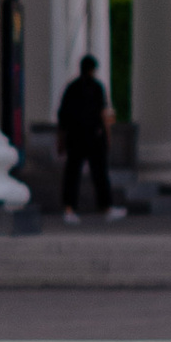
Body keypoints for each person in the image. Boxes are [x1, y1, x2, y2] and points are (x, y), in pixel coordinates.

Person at [55, 51, 120, 222]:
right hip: (93, 137)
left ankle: (69, 208)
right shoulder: (97, 87)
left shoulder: (72, 88)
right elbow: (103, 114)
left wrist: (60, 141)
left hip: (75, 136)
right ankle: (105, 207)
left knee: (72, 174)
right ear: (93, 70)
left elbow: (63, 116)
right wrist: (108, 137)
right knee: (99, 173)